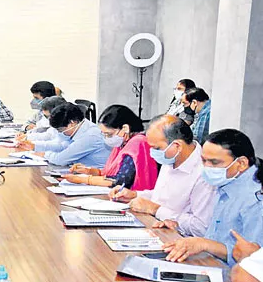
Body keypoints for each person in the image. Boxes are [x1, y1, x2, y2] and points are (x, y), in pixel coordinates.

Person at [159, 129, 262, 266]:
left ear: (242, 163)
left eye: (214, 163)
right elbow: (215, 235)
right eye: (204, 161)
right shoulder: (228, 182)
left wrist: (204, 244)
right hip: (209, 264)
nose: (207, 167)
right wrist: (178, 228)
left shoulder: (256, 199)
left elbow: (254, 258)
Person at [110, 115, 217, 236]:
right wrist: (135, 194)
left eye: (156, 148)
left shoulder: (204, 173)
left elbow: (201, 228)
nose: (152, 153)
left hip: (183, 241)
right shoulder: (171, 156)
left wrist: (156, 210)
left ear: (177, 146)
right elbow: (163, 196)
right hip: (157, 227)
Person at [62, 105, 158, 190]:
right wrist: (89, 171)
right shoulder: (122, 143)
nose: (107, 138)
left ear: (125, 128)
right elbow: (110, 173)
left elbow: (120, 181)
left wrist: (84, 180)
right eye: (104, 135)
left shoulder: (137, 143)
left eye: (109, 134)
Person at [30, 103, 110, 167]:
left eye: (60, 130)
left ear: (72, 123)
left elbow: (60, 159)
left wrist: (44, 154)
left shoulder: (91, 136)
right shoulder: (79, 128)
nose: (60, 133)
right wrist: (34, 146)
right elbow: (62, 145)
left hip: (95, 176)